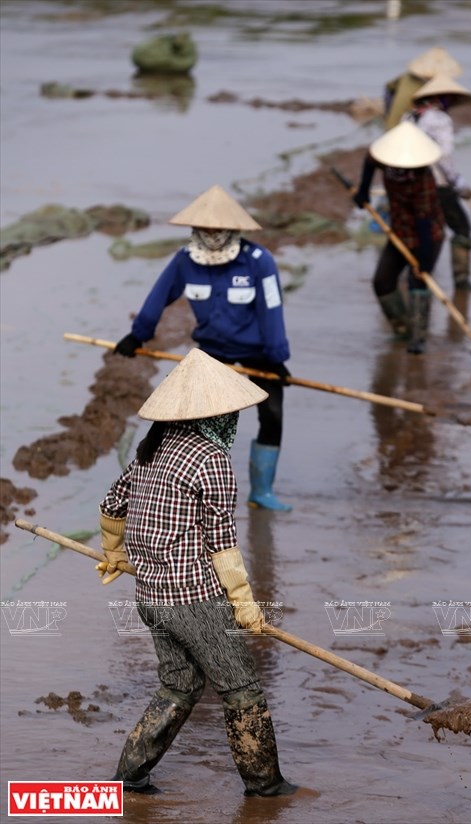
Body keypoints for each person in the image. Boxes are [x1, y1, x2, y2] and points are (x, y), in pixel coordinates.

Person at [96, 348, 298, 797]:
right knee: (241, 687)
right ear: (217, 414)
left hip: (151, 596)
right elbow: (222, 545)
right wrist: (244, 605)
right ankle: (265, 786)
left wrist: (114, 554)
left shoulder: (152, 448)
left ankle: (129, 778)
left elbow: (112, 506)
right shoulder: (212, 460)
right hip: (192, 599)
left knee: (180, 684)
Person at [113, 185, 292, 512]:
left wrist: (277, 357)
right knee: (196, 415)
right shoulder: (185, 261)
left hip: (257, 350)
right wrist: (137, 336)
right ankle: (189, 483)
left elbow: (272, 309)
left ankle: (261, 491)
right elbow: (158, 297)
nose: (211, 233)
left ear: (233, 228)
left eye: (217, 228)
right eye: (204, 228)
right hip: (211, 350)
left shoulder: (258, 261)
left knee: (272, 413)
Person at [353, 120, 444, 355]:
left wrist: (422, 260)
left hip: (428, 236)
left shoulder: (423, 179)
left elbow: (423, 220)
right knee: (382, 281)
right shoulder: (388, 163)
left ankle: (418, 338)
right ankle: (402, 328)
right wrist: (363, 191)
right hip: (399, 232)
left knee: (417, 283)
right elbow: (369, 160)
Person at [407, 74, 471, 290]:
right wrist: (459, 183)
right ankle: (461, 281)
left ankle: (416, 276)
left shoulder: (409, 118)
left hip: (411, 185)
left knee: (421, 231)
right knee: (462, 228)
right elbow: (444, 157)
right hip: (437, 185)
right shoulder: (440, 120)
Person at [384, 46, 462, 130]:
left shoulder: (410, 77)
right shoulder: (412, 87)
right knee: (397, 123)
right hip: (400, 100)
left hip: (397, 95)